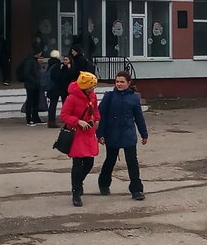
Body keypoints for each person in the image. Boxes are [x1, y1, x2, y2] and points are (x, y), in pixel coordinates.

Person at [96, 70, 149, 200]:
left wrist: (144, 133)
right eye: (117, 81)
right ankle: (104, 184)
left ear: (128, 83)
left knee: (132, 162)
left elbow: (139, 117)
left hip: (128, 134)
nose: (119, 84)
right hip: (112, 133)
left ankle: (136, 190)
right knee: (110, 160)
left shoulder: (133, 97)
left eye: (122, 82)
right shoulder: (109, 96)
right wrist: (100, 134)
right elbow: (101, 116)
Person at [60, 71, 101, 207]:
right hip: (77, 134)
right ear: (85, 86)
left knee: (89, 163)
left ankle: (79, 182)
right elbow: (64, 115)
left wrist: (97, 120)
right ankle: (76, 192)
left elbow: (95, 110)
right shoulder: (72, 98)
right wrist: (78, 121)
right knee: (77, 164)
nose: (94, 88)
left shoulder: (92, 96)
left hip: (89, 132)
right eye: (92, 85)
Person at [50, 53, 78, 128]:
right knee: (56, 104)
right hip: (59, 88)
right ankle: (53, 120)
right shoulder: (59, 67)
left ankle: (65, 118)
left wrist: (69, 69)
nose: (65, 61)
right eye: (64, 60)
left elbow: (72, 76)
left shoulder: (71, 67)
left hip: (64, 89)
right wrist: (63, 69)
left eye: (66, 60)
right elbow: (59, 77)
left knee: (65, 104)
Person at [21, 50, 43, 126]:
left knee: (36, 102)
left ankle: (36, 117)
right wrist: (34, 81)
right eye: (39, 53)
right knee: (30, 101)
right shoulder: (29, 61)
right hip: (30, 85)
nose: (40, 55)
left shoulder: (35, 61)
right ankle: (29, 119)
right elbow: (27, 73)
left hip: (36, 84)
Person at [45, 49, 61, 128]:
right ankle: (52, 121)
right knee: (53, 105)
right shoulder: (57, 65)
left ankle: (50, 120)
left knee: (51, 105)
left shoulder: (49, 64)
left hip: (50, 87)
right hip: (55, 88)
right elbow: (57, 77)